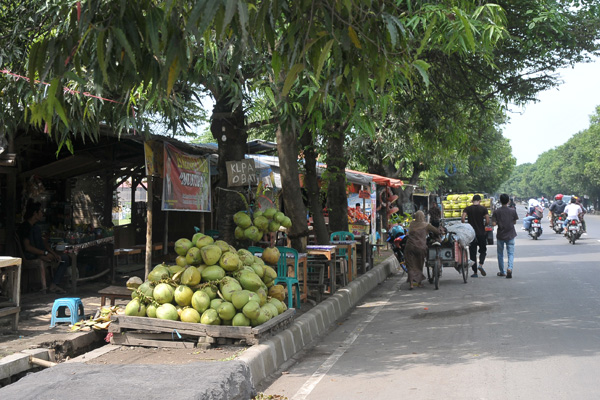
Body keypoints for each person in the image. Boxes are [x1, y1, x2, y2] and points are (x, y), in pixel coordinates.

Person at [17, 200, 69, 294]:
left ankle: (54, 285)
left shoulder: (36, 227)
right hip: (31, 256)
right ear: (35, 213)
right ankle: (53, 285)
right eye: (40, 212)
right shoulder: (25, 227)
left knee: (63, 258)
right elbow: (28, 247)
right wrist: (43, 254)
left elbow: (44, 244)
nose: (42, 214)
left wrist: (52, 253)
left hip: (41, 253)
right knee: (63, 259)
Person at [404, 210, 442, 289]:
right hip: (420, 247)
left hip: (409, 246)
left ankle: (411, 284)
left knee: (410, 265)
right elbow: (436, 231)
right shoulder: (426, 225)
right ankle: (419, 283)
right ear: (423, 217)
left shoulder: (411, 224)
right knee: (419, 265)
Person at [461, 194, 490, 278]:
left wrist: (466, 225)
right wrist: (484, 225)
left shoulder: (468, 208)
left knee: (473, 253)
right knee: (483, 251)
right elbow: (487, 220)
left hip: (471, 234)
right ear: (480, 201)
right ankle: (480, 264)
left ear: (472, 201)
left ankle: (475, 272)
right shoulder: (483, 209)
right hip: (481, 233)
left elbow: (463, 218)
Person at [492, 194, 519, 279]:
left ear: (500, 201)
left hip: (500, 235)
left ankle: (502, 271)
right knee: (510, 253)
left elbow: (493, 223)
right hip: (511, 234)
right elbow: (514, 222)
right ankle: (510, 268)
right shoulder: (512, 211)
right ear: (508, 201)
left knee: (500, 254)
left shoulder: (496, 211)